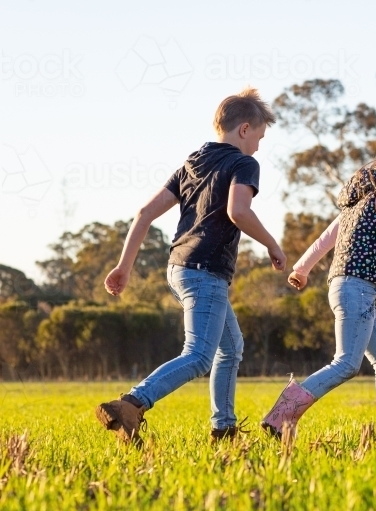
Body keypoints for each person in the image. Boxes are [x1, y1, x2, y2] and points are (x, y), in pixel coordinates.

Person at [95, 88, 286, 446]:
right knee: (199, 356)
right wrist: (273, 245)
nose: (259, 147)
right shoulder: (244, 163)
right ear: (244, 130)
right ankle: (131, 404)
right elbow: (239, 212)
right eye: (259, 137)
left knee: (230, 348)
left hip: (178, 268)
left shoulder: (192, 162)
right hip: (206, 271)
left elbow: (144, 214)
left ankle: (224, 427)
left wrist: (124, 266)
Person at [260, 143, 376, 437]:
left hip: (350, 289)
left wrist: (301, 269)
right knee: (346, 363)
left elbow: (325, 239)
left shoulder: (357, 206)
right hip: (357, 289)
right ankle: (282, 415)